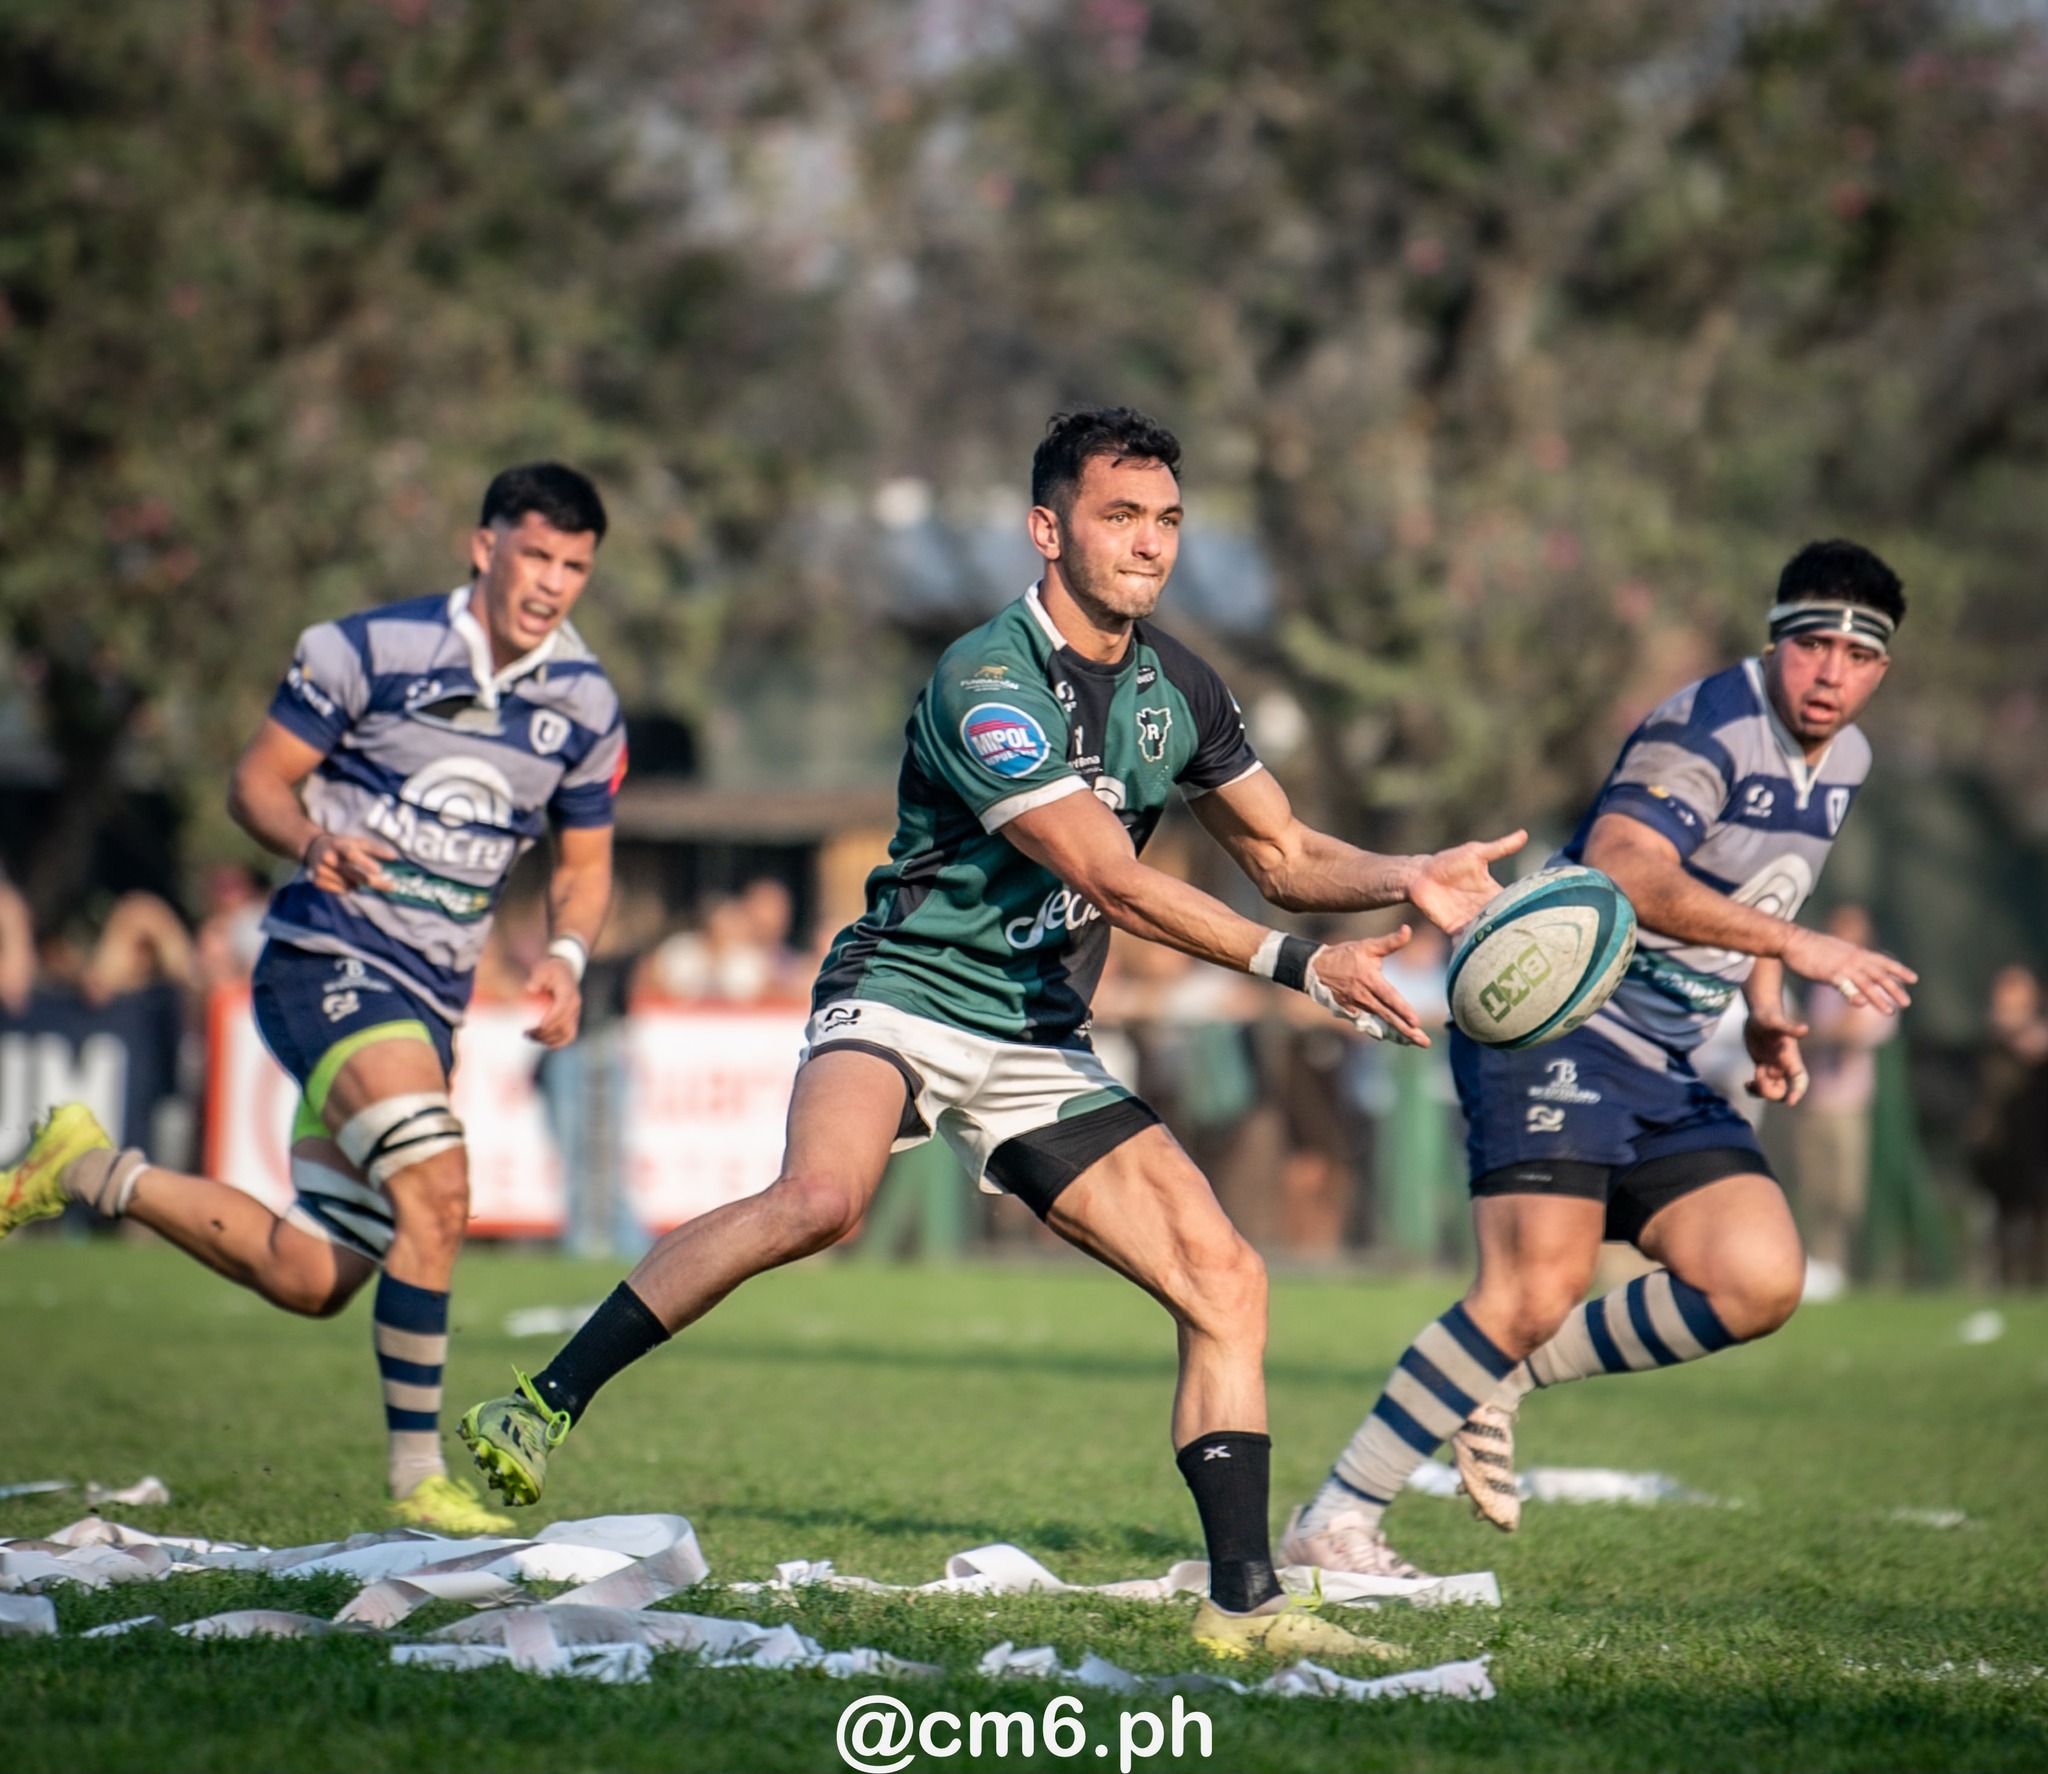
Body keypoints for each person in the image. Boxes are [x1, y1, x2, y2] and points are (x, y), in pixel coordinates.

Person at [460, 408, 1522, 1655]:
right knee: (818, 1200)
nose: (1148, 544)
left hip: (1035, 1037)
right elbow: (1109, 877)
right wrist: (1303, 968)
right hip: (904, 993)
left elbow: (1281, 852)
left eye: (1166, 519)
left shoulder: (1178, 685)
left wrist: (1412, 874)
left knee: (1227, 1282)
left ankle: (1245, 1611)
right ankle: (541, 1399)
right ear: (1047, 527)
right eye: (1118, 516)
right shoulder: (985, 675)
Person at [0, 463, 624, 1535]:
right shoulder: (365, 650)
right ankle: (417, 1478)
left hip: (429, 998)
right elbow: (255, 781)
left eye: (573, 566)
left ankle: (85, 1166)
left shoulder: (586, 703)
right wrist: (312, 838)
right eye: (534, 555)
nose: (550, 583)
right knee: (435, 1185)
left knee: (312, 1274)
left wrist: (567, 949)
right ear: (484, 548)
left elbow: (584, 863)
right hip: (325, 958)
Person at [1285, 539, 1918, 1570]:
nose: (1829, 674)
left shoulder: (1843, 759)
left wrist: (1762, 1002)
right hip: (1556, 1023)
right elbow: (1628, 870)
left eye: (1854, 658)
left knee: (1756, 1278)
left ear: (1879, 670)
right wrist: (1795, 953)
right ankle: (1333, 1519)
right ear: (1775, 642)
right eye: (1810, 647)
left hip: (1662, 1053)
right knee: (1529, 1291)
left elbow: (1767, 888)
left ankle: (1501, 1377)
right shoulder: (1706, 727)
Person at [1790, 903, 1896, 1295]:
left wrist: (1822, 1033)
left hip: (1850, 1103)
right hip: (1812, 1099)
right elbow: (1803, 1027)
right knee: (1815, 1189)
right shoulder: (1814, 981)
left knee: (1846, 1193)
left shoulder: (1873, 976)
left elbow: (1854, 1031)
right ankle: (1822, 1266)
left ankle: (1852, 1267)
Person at [1968, 965, 2048, 1288]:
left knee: (2039, 1213)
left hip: (2037, 1142)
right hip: (2000, 1146)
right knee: (2003, 1216)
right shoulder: (1994, 1047)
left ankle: (2038, 1280)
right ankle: (2004, 1281)